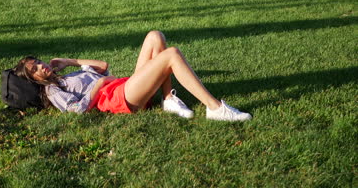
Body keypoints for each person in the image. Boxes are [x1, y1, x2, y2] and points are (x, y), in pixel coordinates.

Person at [14, 31, 252, 121]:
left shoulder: (64, 75)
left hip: (123, 86)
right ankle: (214, 108)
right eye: (34, 69)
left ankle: (168, 100)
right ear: (33, 80)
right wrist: (99, 85)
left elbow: (102, 65)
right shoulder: (52, 90)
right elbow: (76, 110)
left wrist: (69, 61)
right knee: (171, 55)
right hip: (118, 98)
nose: (40, 67)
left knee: (154, 36)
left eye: (38, 62)